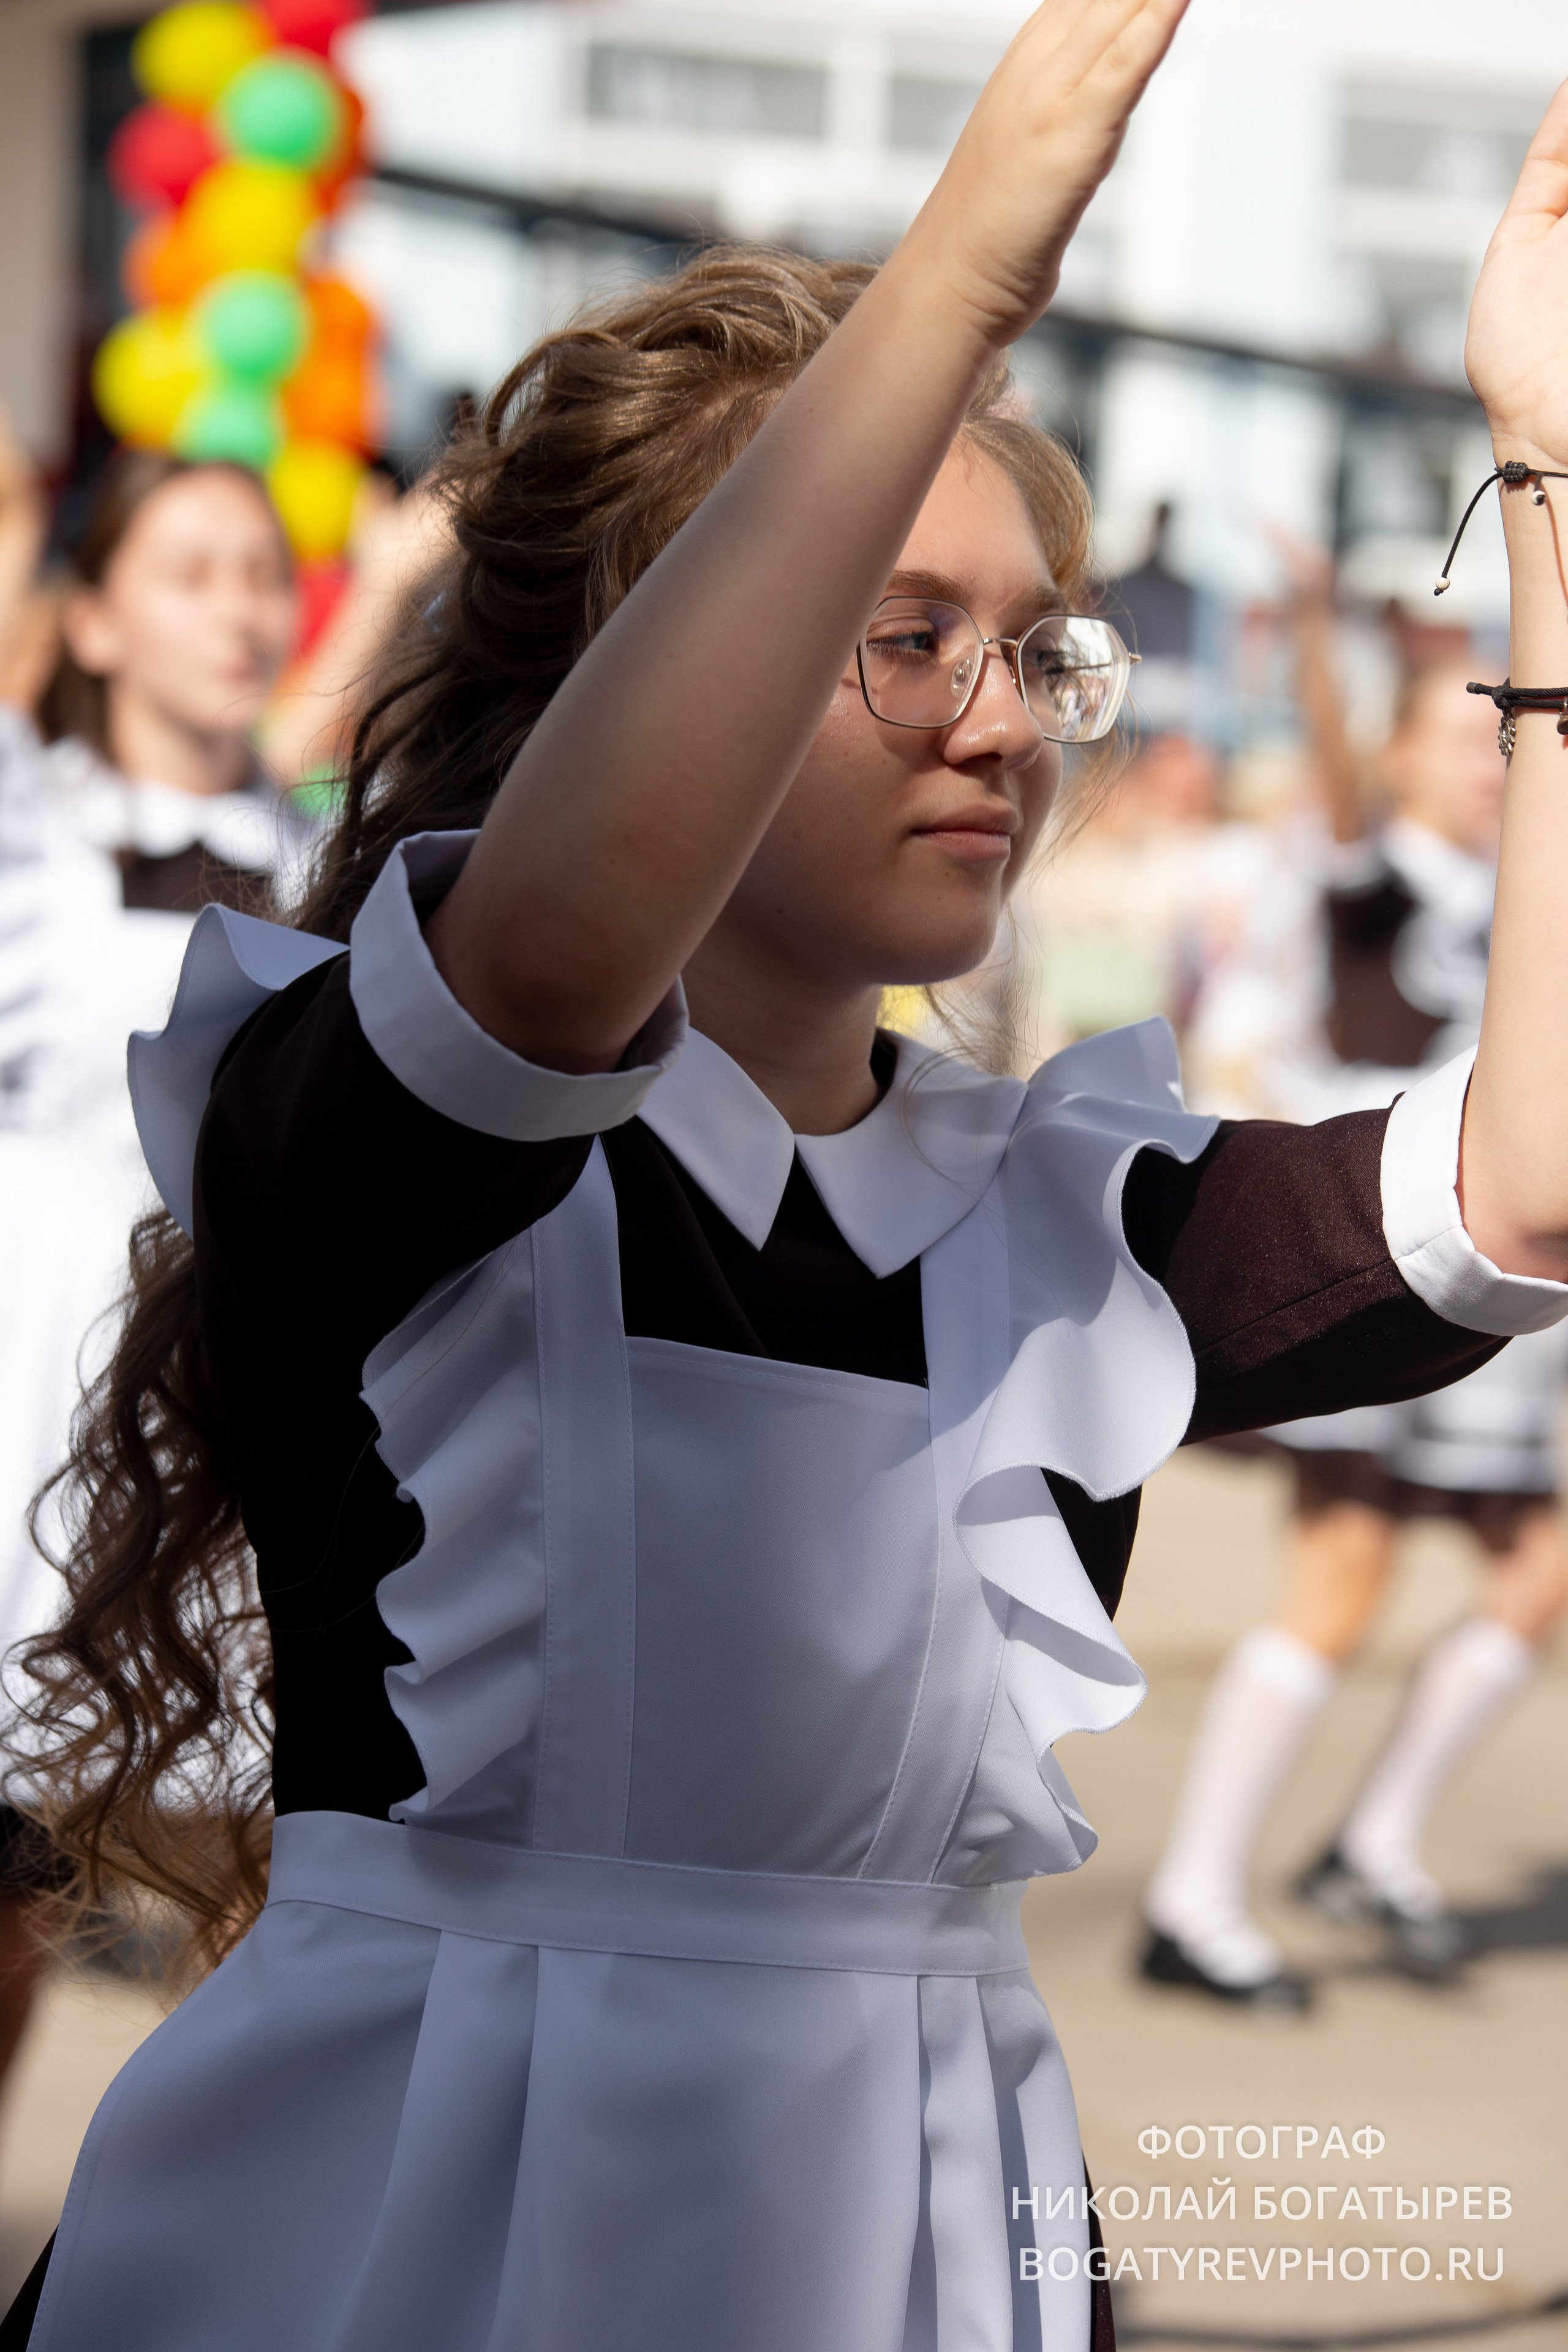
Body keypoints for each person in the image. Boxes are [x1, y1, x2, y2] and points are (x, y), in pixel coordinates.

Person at [10, 12, 1568, 2345]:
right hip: (395, 2219)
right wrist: (969, 258)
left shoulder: (1063, 1213)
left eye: (1039, 648)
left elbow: (1532, 1185)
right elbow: (545, 954)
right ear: (648, 683)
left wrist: (1548, 473)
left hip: (915, 2218)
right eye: (904, 640)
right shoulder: (371, 1105)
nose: (1009, 718)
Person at [1142, 598, 1568, 2010]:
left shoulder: (1524, 886)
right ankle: (1191, 1899)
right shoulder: (1358, 874)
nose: (1478, 759)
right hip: (1374, 1248)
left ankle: (1374, 1839)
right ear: (1384, 758)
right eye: (1450, 733)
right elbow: (1326, 777)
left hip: (1500, 1305)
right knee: (1338, 1584)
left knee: (1539, 1568)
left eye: (1493, 733)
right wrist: (1319, 645)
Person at [0, 442, 306, 2111]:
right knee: (11, 1904)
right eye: (192, 573)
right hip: (26, 1411)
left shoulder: (324, 846)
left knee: (275, 1921)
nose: (239, 610)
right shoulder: (26, 829)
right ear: (95, 622)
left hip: (229, 1422)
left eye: (260, 573)